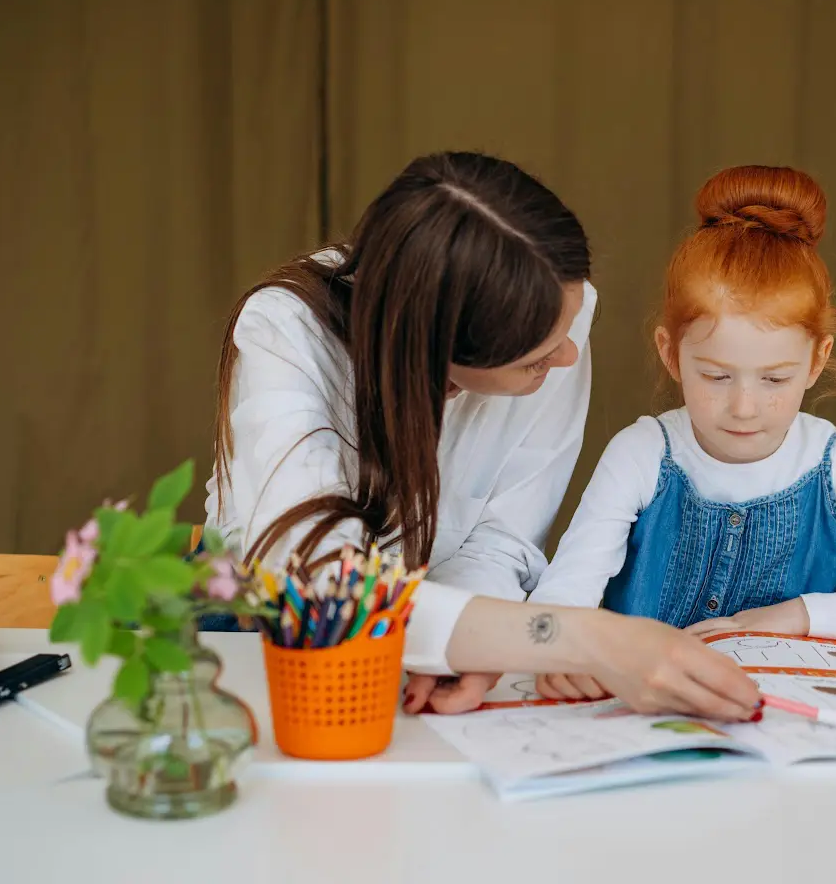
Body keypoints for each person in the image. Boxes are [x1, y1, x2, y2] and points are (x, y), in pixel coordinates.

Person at [205, 151, 759, 721]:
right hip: (261, 645)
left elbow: (501, 539)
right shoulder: (287, 332)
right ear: (435, 347)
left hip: (437, 651)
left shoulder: (555, 310)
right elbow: (324, 589)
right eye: (536, 361)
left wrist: (473, 644)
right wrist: (593, 638)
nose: (567, 355)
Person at [527, 165, 836, 701]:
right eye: (717, 376)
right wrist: (559, 645)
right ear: (670, 353)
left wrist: (796, 616)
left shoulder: (833, 462)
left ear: (817, 361)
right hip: (641, 713)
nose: (744, 407)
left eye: (775, 379)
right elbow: (565, 598)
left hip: (784, 720)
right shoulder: (641, 454)